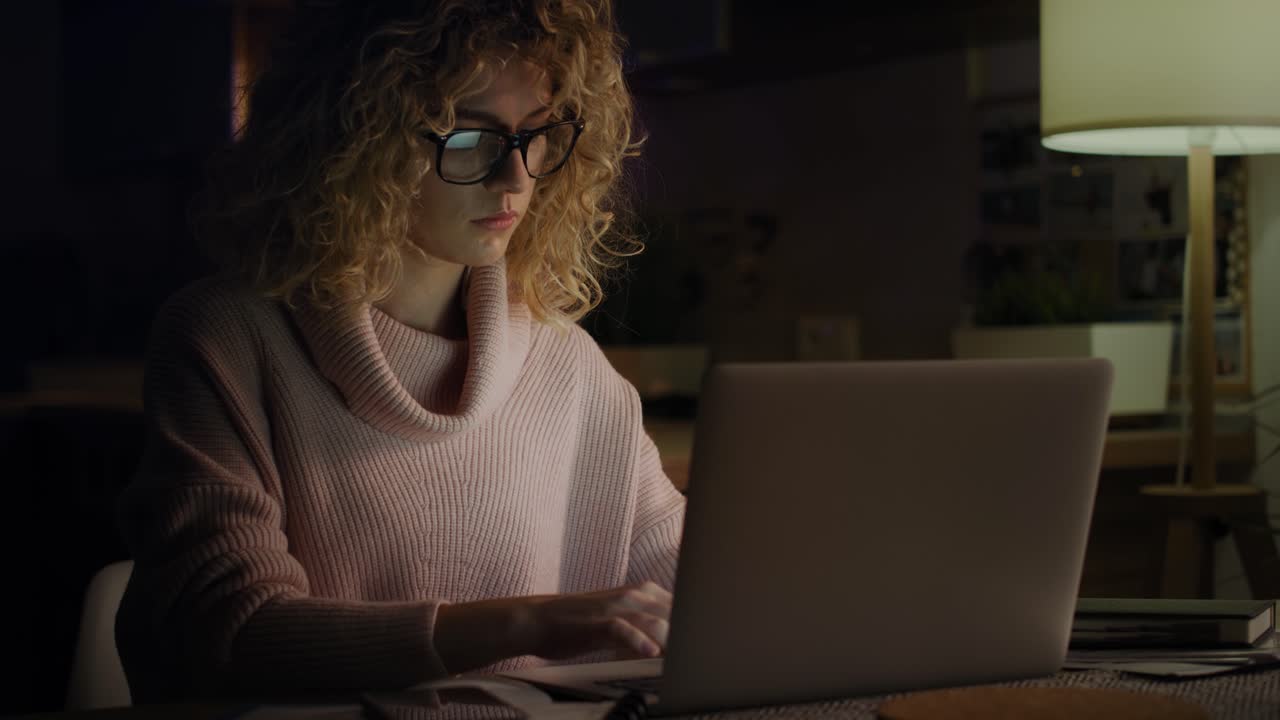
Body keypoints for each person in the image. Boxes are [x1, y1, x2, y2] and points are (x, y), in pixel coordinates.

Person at [114, 0, 685, 703]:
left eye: (537, 136)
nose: (516, 180)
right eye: (470, 137)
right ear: (355, 138)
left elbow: (693, 583)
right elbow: (228, 633)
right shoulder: (226, 338)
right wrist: (529, 623)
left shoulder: (567, 364)